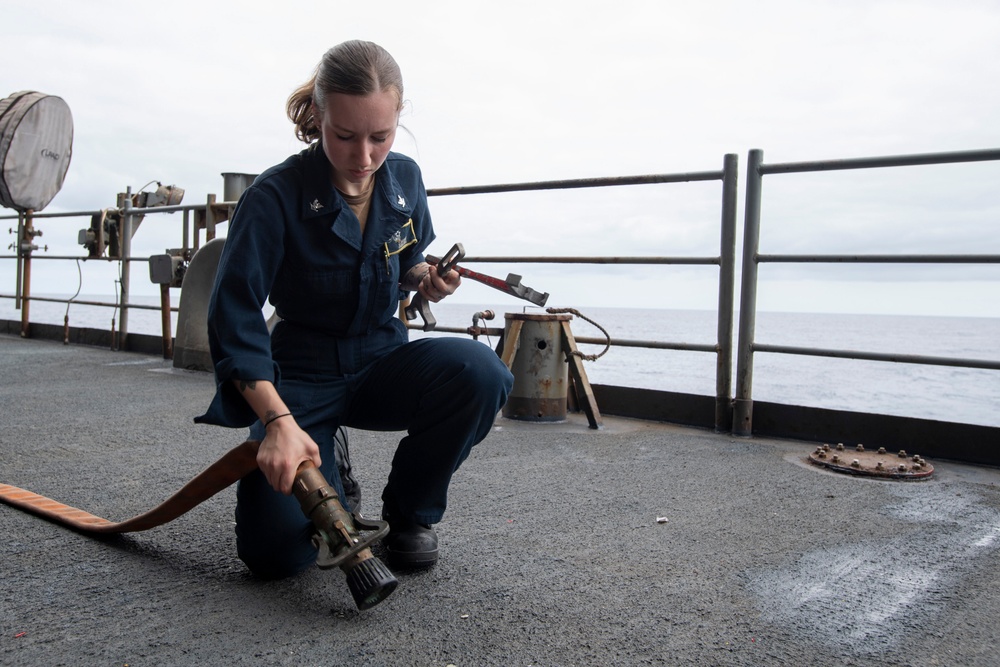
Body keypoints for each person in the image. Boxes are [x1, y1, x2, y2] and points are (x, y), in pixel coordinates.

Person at [195, 40, 513, 578]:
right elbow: (235, 313)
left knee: (481, 373)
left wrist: (425, 279)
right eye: (344, 136)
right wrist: (276, 421)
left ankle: (409, 516)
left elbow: (407, 257)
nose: (363, 157)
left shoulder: (406, 181)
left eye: (380, 137)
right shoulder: (273, 197)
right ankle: (327, 459)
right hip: (299, 375)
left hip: (381, 360)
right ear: (318, 116)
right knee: (277, 556)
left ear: (398, 119)